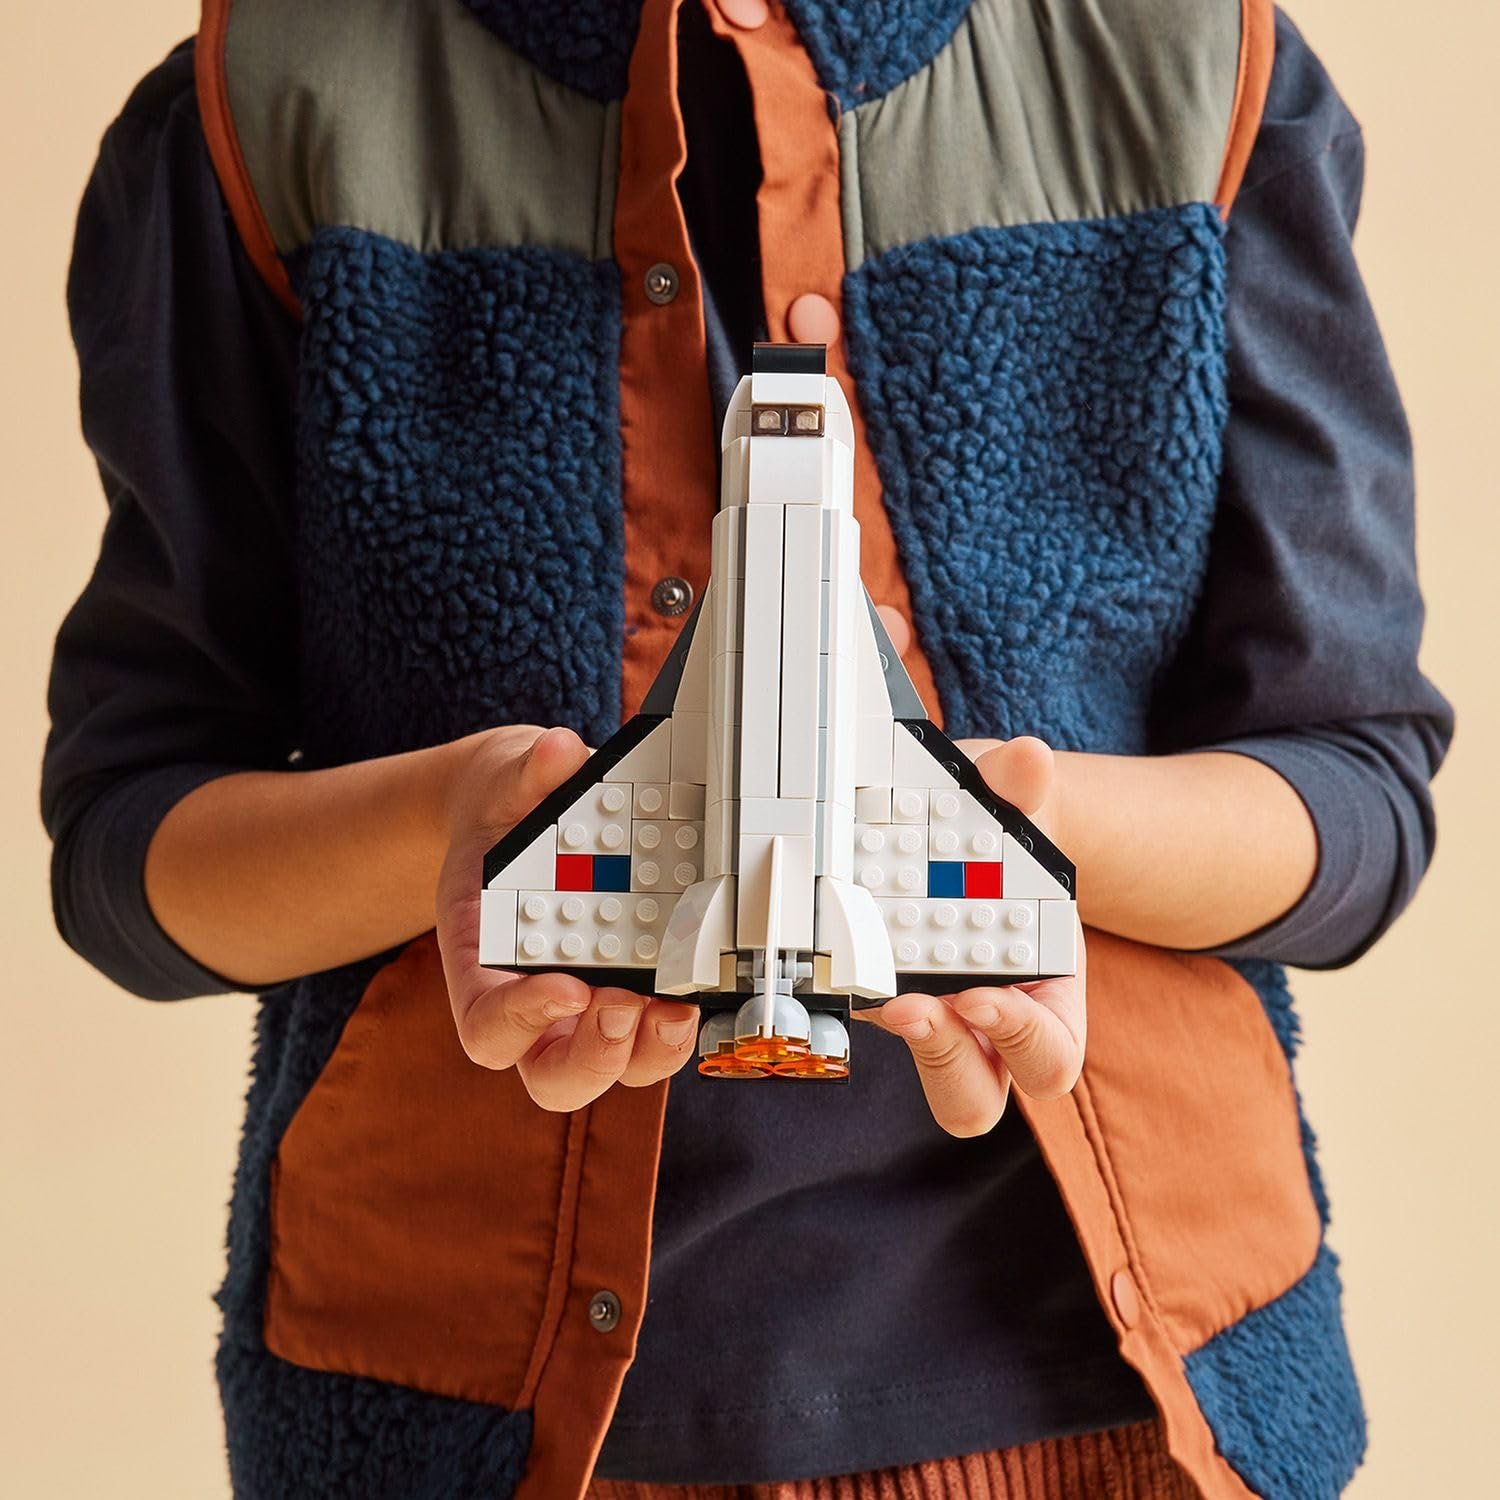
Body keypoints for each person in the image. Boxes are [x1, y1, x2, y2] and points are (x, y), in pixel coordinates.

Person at [45, 2, 1450, 1497]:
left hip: (1120, 1409)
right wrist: (468, 829)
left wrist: (1012, 831)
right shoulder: (260, 102)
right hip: (474, 1425)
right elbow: (133, 838)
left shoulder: (1200, 65)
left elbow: (1355, 788)